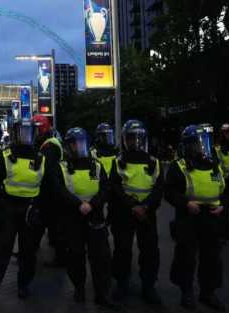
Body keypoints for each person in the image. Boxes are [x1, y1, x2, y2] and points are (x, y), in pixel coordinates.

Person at [0, 120, 46, 307]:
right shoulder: (6, 155)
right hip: (8, 209)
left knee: (28, 253)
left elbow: (47, 188)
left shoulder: (41, 158)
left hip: (29, 211)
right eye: (21, 132)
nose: (25, 136)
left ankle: (24, 285)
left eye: (28, 132)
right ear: (15, 134)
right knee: (1, 252)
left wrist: (38, 208)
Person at [54, 127, 120, 311]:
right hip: (72, 218)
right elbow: (59, 190)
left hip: (94, 215)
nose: (77, 147)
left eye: (80, 143)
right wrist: (78, 204)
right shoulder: (62, 167)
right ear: (68, 146)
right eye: (73, 143)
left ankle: (102, 294)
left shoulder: (96, 165)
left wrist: (92, 205)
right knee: (75, 257)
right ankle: (79, 288)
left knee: (101, 258)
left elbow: (106, 189)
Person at [166, 125, 226, 311]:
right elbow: (169, 191)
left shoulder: (215, 164)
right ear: (188, 146)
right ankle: (187, 292)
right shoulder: (180, 166)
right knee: (186, 257)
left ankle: (208, 292)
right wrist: (185, 204)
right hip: (188, 217)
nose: (201, 147)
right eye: (197, 144)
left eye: (204, 143)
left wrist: (223, 204)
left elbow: (225, 189)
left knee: (212, 257)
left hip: (212, 217)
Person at [110, 119, 163, 305]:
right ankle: (122, 284)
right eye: (131, 138)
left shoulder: (154, 162)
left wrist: (146, 206)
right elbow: (115, 188)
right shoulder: (118, 162)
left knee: (150, 252)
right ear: (125, 140)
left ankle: (149, 286)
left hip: (147, 213)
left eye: (138, 138)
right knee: (122, 251)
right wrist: (132, 206)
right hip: (125, 213)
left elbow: (158, 189)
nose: (134, 142)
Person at [32, 115, 65, 267]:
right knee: (45, 223)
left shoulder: (49, 146)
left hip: (50, 192)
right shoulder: (46, 144)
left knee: (49, 224)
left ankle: (60, 257)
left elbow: (47, 170)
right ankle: (32, 249)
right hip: (49, 191)